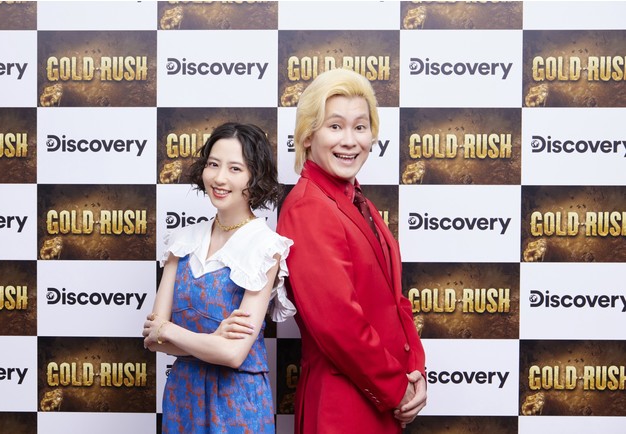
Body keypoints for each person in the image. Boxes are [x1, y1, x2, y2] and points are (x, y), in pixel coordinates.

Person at [276, 68, 427, 433]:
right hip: (342, 408)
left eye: (360, 127)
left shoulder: (358, 202)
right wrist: (397, 389)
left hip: (380, 399)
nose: (350, 140)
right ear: (308, 135)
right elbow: (337, 324)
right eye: (335, 126)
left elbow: (395, 301)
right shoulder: (308, 207)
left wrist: (416, 371)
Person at [142, 122, 296, 433]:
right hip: (182, 397)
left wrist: (170, 330)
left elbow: (233, 354)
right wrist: (212, 339)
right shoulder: (182, 240)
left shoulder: (266, 247)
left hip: (236, 402)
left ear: (255, 177)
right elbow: (152, 340)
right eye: (213, 164)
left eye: (235, 168)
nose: (220, 178)